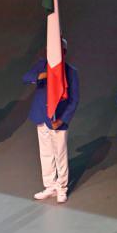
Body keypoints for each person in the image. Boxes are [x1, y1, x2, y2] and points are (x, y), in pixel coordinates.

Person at [22, 38, 79, 203]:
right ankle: (50, 186)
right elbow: (26, 78)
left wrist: (62, 120)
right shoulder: (42, 65)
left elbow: (74, 100)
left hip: (58, 120)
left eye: (58, 50)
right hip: (42, 116)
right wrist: (44, 75)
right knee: (45, 153)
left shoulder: (71, 71)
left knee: (60, 154)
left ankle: (62, 187)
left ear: (64, 52)